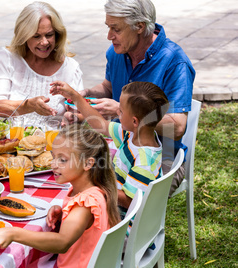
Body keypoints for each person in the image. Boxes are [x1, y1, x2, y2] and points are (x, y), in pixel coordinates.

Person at [72, 0, 195, 196]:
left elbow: (178, 126)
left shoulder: (174, 61)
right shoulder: (116, 51)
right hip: (123, 146)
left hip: (160, 157)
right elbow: (108, 86)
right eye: (108, 27)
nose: (109, 36)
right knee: (73, 173)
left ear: (140, 26)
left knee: (96, 191)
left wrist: (122, 112)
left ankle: (125, 226)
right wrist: (86, 94)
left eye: (116, 29)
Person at [0, 125, 120, 267]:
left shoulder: (85, 202)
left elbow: (62, 242)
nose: (53, 164)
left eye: (63, 160)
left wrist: (14, 234)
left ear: (88, 163)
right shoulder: (92, 191)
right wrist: (65, 214)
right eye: (54, 157)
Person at [50, 80, 169, 209]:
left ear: (134, 121)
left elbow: (129, 201)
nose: (117, 113)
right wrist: (75, 97)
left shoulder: (144, 161)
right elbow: (101, 125)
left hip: (121, 222)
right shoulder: (135, 134)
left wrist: (93, 186)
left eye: (121, 111)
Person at [0, 1, 83, 126]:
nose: (44, 42)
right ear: (24, 36)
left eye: (49, 35)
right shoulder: (7, 58)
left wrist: (73, 117)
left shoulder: (70, 68)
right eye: (36, 36)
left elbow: (82, 111)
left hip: (55, 142)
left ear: (57, 34)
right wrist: (29, 105)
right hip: (11, 141)